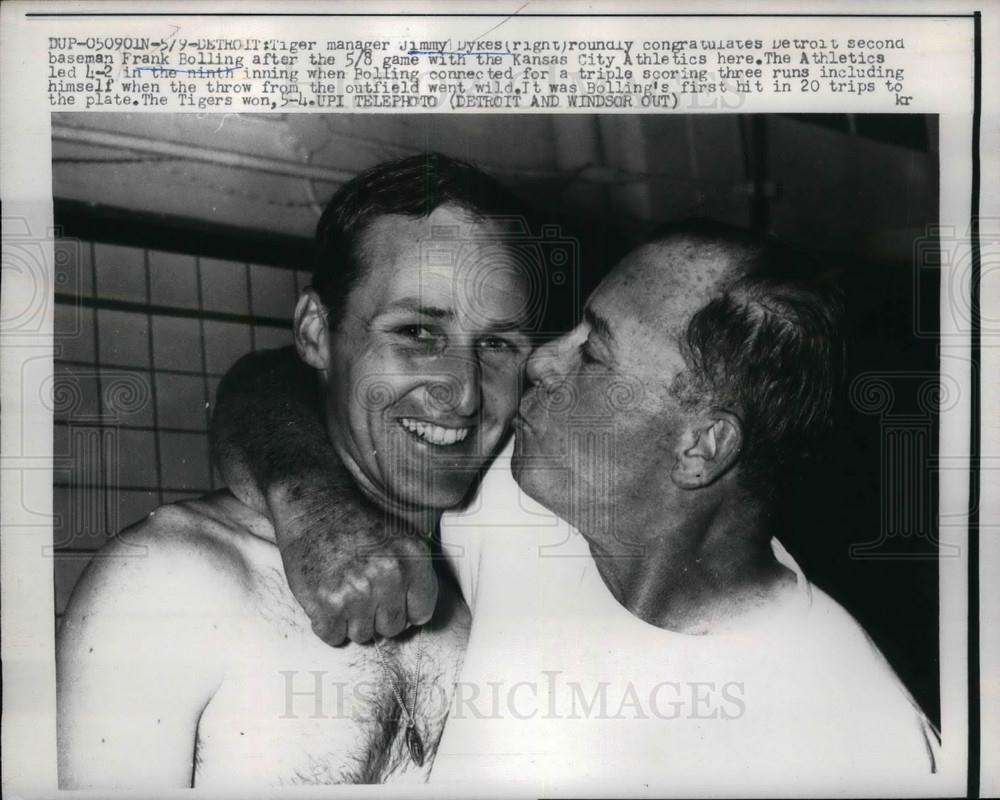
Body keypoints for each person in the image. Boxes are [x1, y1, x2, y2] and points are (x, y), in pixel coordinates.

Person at [211, 222, 941, 792]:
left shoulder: (856, 731)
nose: (543, 359)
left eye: (595, 354)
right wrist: (317, 508)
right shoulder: (532, 503)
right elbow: (275, 382)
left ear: (702, 447)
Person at [56, 153, 539, 789]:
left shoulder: (505, 588)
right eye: (418, 331)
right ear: (315, 333)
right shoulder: (172, 585)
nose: (465, 394)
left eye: (497, 345)